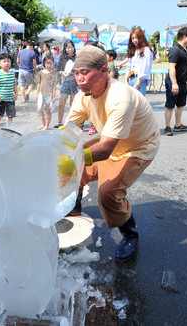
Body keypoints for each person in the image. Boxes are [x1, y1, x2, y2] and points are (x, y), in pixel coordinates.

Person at [64, 45, 159, 263]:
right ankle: (74, 206)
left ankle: (130, 235)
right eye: (77, 73)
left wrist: (72, 157)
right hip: (111, 139)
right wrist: (57, 148)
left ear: (104, 71)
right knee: (69, 168)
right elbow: (69, 128)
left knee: (108, 193)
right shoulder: (84, 94)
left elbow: (106, 149)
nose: (79, 78)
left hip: (138, 147)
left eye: (85, 72)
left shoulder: (120, 96)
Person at [164, 27, 187, 136]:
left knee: (181, 104)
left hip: (183, 82)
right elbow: (172, 67)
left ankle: (177, 125)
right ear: (184, 37)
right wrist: (174, 83)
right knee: (170, 105)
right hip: (173, 81)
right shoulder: (175, 50)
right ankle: (167, 126)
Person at [0, 54, 18, 129]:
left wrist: (16, 94)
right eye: (4, 62)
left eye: (8, 61)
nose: (7, 63)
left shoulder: (12, 73)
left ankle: (9, 129)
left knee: (10, 116)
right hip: (1, 99)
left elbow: (14, 84)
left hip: (10, 99)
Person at [122, 27, 153, 96]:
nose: (134, 40)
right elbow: (129, 66)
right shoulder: (133, 51)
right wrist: (125, 80)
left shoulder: (146, 50)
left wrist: (138, 83)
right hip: (130, 78)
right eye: (133, 38)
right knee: (130, 103)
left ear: (141, 38)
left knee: (138, 104)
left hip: (139, 80)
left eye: (136, 38)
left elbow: (145, 68)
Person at [55, 39, 78, 128]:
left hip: (74, 82)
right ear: (65, 49)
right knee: (61, 103)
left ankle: (71, 123)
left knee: (72, 105)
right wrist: (62, 73)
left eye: (71, 47)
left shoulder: (77, 57)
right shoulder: (62, 57)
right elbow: (58, 69)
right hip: (65, 81)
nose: (70, 49)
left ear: (74, 48)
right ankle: (60, 122)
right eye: (68, 48)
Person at [35, 55, 57, 130]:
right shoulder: (41, 72)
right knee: (39, 109)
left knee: (48, 110)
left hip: (49, 94)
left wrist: (54, 96)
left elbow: (54, 86)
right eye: (47, 63)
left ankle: (47, 125)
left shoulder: (54, 73)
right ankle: (43, 123)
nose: (49, 65)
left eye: (51, 63)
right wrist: (37, 93)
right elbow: (39, 83)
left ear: (53, 63)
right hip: (41, 93)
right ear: (44, 64)